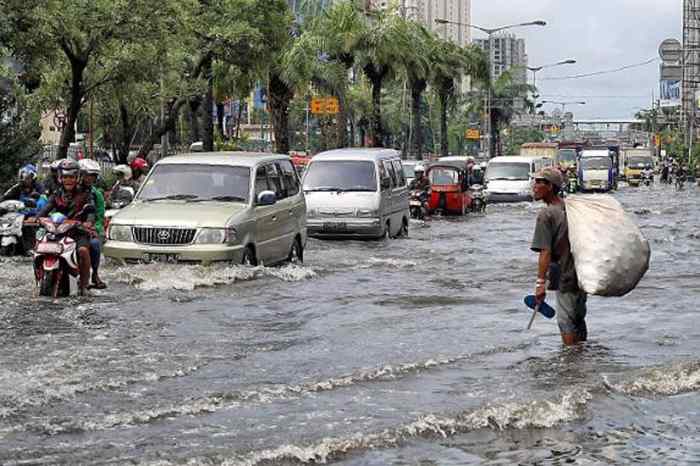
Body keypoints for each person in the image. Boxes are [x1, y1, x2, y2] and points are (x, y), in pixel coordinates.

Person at [530, 167, 587, 346]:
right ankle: (583, 357)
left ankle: (570, 366)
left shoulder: (546, 215)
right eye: (535, 181)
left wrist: (540, 284)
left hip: (565, 276)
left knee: (565, 322)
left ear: (551, 187)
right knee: (578, 318)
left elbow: (545, 252)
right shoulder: (569, 208)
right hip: (582, 273)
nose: (535, 186)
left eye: (540, 182)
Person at [37, 159, 95, 296]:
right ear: (60, 178)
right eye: (65, 177)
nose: (68, 180)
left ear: (77, 177)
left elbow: (91, 212)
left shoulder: (86, 194)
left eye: (71, 177)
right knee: (39, 245)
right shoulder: (57, 194)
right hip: (57, 231)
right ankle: (39, 275)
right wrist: (37, 218)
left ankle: (84, 285)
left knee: (83, 251)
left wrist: (88, 222)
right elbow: (45, 209)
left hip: (78, 231)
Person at [79, 159, 107, 290]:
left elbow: (99, 217)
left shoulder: (96, 195)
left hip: (88, 230)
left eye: (93, 176)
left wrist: (93, 227)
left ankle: (94, 274)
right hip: (68, 227)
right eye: (87, 175)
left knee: (95, 245)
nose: (89, 179)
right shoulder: (68, 190)